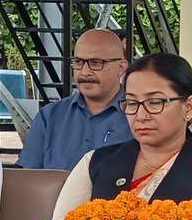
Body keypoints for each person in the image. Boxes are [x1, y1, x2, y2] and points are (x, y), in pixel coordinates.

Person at [50, 52, 192, 220]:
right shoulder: (95, 162)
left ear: (188, 107)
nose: (141, 115)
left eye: (155, 102)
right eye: (132, 103)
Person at [15, 29, 132, 170]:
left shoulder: (140, 116)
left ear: (121, 67)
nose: (85, 72)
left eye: (96, 63)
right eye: (78, 62)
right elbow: (30, 176)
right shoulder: (49, 117)